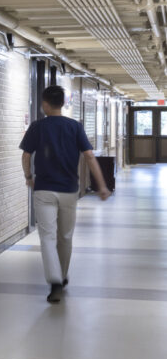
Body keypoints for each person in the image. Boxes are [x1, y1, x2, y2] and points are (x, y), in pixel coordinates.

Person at [19, 85, 110, 303]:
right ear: (62, 103)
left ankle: (55, 281)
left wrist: (28, 177)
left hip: (44, 189)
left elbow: (26, 155)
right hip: (69, 190)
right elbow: (89, 156)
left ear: (45, 104)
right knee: (65, 236)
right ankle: (62, 275)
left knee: (47, 237)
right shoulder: (75, 127)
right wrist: (101, 185)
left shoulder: (37, 127)